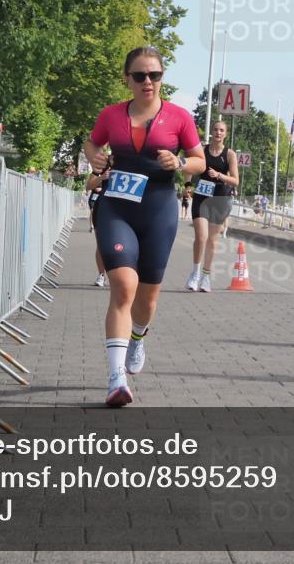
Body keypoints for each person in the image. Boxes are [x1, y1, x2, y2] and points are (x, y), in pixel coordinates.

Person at [84, 47, 204, 407]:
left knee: (147, 298)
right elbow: (92, 143)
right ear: (128, 79)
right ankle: (115, 378)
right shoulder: (111, 115)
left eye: (155, 75)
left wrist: (179, 163)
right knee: (123, 285)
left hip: (158, 209)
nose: (147, 81)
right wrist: (94, 157)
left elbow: (198, 161)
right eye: (140, 75)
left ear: (162, 78)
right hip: (117, 207)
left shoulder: (179, 117)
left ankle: (137, 337)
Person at [185, 120, 239, 292]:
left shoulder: (230, 154)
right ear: (211, 132)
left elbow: (235, 181)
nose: (218, 132)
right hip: (202, 196)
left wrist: (219, 175)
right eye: (215, 129)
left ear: (225, 134)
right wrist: (188, 185)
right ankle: (195, 273)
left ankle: (206, 277)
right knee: (201, 237)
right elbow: (189, 168)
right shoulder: (201, 150)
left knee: (212, 240)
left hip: (219, 199)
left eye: (221, 130)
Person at [86, 168, 109, 286]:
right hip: (105, 207)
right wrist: (102, 177)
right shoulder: (102, 164)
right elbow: (89, 186)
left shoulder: (136, 161)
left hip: (129, 208)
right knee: (101, 244)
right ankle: (101, 275)